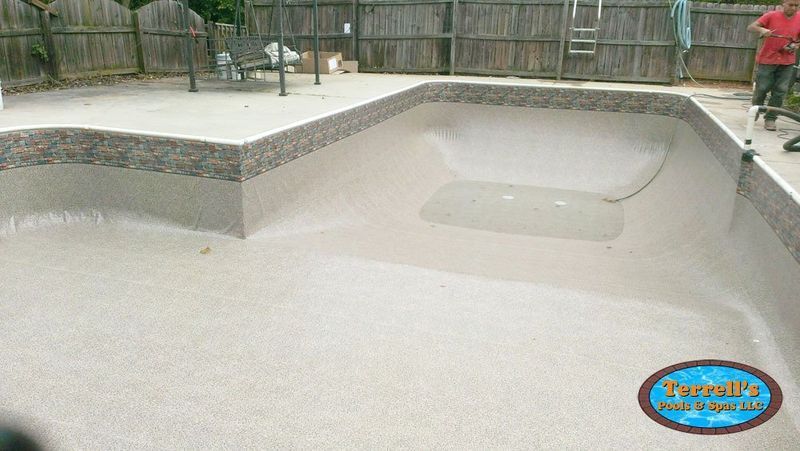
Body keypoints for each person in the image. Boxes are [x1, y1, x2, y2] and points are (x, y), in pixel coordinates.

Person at [748, 1, 800, 131]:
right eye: (791, 5)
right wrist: (762, 29)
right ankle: (756, 109)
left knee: (780, 91)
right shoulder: (771, 16)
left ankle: (771, 118)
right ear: (783, 4)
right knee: (762, 88)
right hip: (767, 59)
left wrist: (794, 46)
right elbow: (751, 27)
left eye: (797, 6)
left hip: (787, 61)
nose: (793, 8)